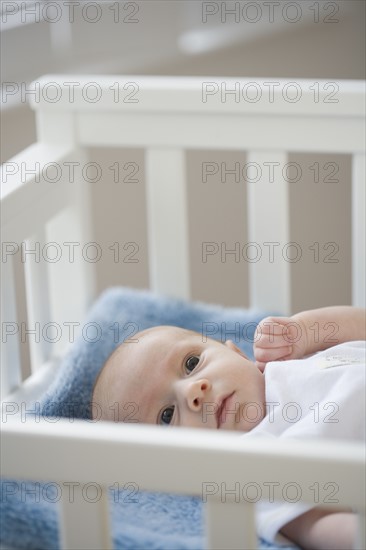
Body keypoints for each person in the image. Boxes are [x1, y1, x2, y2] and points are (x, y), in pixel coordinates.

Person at [91, 306, 365, 550]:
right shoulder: (251, 473)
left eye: (191, 363)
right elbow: (319, 526)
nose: (192, 392)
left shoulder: (292, 357)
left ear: (236, 353)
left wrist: (305, 329)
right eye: (167, 415)